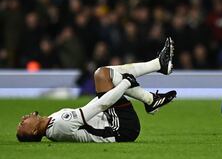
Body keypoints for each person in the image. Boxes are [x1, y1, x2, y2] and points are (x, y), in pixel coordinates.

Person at [16, 37, 177, 142]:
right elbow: (99, 106)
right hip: (121, 128)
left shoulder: (52, 124)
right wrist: (125, 83)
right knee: (102, 74)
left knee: (104, 75)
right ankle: (154, 80)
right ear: (34, 131)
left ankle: (152, 91)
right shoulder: (60, 124)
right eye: (22, 124)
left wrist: (111, 87)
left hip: (115, 123)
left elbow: (98, 106)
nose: (23, 119)